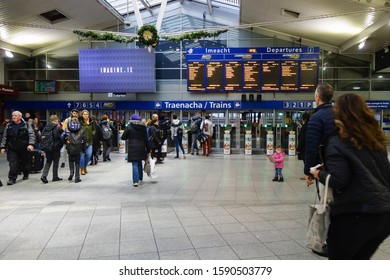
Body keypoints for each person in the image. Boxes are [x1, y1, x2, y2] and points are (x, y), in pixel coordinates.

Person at [310, 93, 390, 260]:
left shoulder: (338, 141)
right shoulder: (375, 139)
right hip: (383, 216)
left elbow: (339, 180)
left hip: (355, 215)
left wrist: (319, 173)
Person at [304, 82, 335, 185]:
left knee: (325, 196)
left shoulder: (316, 117)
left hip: (324, 165)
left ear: (318, 98)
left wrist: (308, 171)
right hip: (341, 164)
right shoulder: (340, 114)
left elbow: (312, 146)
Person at [0, 111, 35, 185]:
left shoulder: (26, 125)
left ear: (20, 117)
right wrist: (2, 147)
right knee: (13, 163)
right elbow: (5, 137)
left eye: (15, 115)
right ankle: (12, 178)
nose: (13, 117)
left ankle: (26, 173)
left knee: (25, 163)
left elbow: (31, 134)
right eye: (13, 115)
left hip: (24, 147)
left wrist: (31, 144)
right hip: (12, 147)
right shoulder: (9, 125)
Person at [121, 114, 150, 187]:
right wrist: (148, 149)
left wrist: (129, 135)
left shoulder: (129, 127)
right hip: (141, 146)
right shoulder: (143, 127)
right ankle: (140, 178)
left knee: (134, 163)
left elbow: (123, 137)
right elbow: (146, 139)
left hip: (132, 146)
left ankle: (135, 181)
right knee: (139, 161)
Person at [40, 115, 64, 183]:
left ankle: (44, 175)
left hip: (47, 147)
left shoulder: (46, 128)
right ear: (56, 120)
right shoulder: (57, 128)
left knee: (48, 161)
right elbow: (59, 137)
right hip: (55, 147)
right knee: (56, 162)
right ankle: (55, 176)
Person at [79, 109, 95, 175]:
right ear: (82, 115)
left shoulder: (91, 122)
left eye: (87, 114)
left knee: (88, 155)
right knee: (82, 156)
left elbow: (94, 130)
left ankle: (85, 166)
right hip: (81, 142)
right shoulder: (79, 122)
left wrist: (92, 134)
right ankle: (82, 169)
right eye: (84, 114)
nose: (86, 115)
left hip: (89, 141)